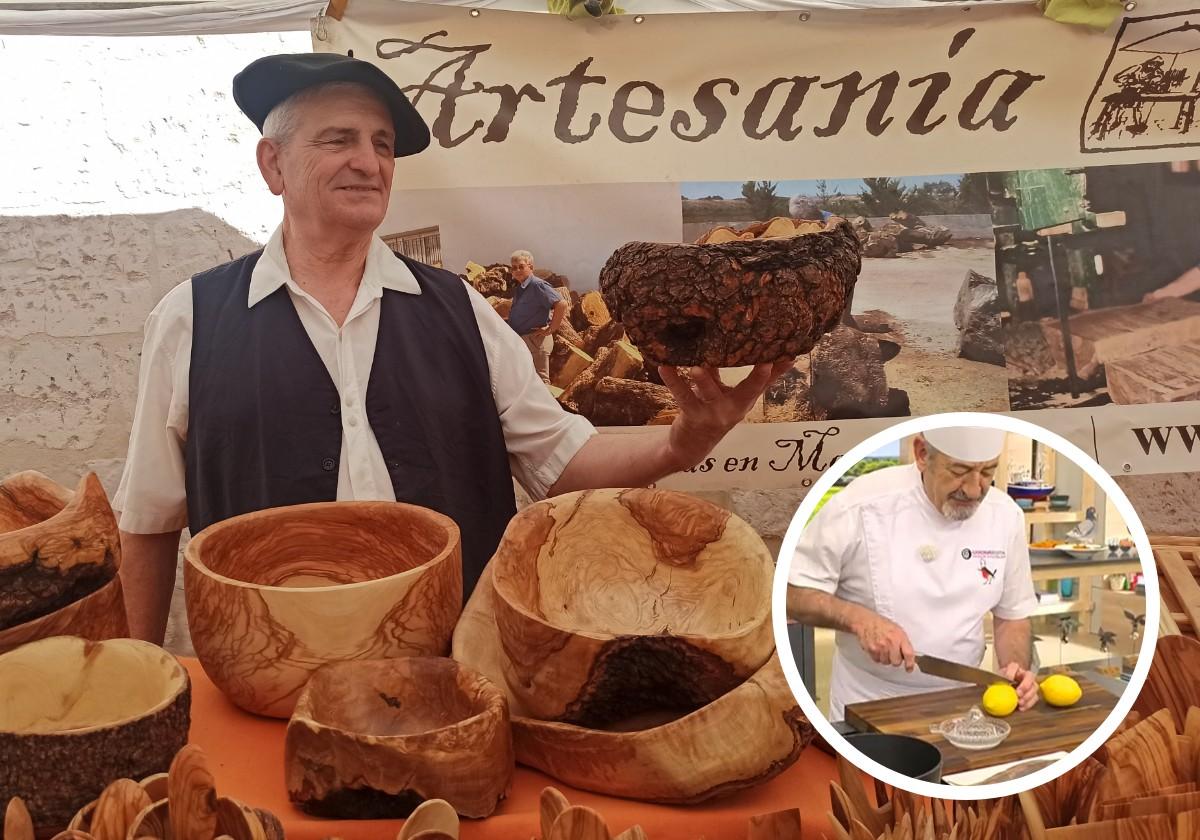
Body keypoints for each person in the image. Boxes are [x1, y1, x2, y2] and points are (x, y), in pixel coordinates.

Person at [113, 52, 792, 645]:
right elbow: (147, 521)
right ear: (273, 164)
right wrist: (135, 685)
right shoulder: (191, 318)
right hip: (267, 676)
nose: (369, 161)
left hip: (457, 682)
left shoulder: (459, 311)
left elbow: (561, 462)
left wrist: (681, 442)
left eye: (382, 145)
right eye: (339, 139)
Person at [786, 427, 1038, 721]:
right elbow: (792, 595)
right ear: (921, 454)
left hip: (964, 701)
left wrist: (1016, 671)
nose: (973, 489)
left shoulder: (1005, 515)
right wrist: (859, 619)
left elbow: (1013, 615)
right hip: (869, 701)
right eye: (960, 470)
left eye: (987, 472)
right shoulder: (859, 505)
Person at [506, 249, 568, 384]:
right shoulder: (521, 287)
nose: (517, 270)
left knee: (541, 383)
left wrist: (551, 329)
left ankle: (549, 405)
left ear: (531, 267)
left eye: (521, 266)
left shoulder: (537, 285)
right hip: (524, 340)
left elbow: (561, 304)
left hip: (536, 341)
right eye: (514, 268)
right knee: (528, 382)